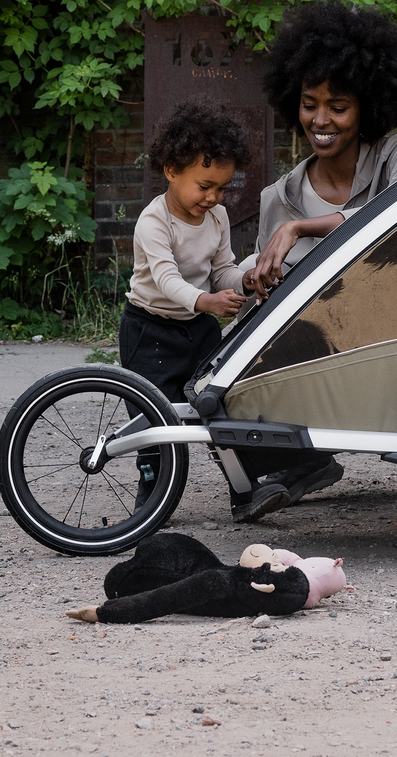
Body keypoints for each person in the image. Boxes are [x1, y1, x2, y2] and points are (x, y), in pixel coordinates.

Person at [226, 0, 397, 522]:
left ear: (367, 106)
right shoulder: (278, 197)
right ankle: (298, 462)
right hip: (326, 346)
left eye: (338, 106)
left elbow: (395, 222)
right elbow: (271, 293)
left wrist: (301, 228)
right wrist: (254, 282)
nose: (321, 119)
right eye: (309, 103)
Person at [120, 100, 275, 517]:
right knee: (152, 418)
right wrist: (206, 301)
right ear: (172, 170)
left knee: (218, 403)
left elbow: (221, 269)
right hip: (150, 329)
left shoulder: (218, 217)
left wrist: (240, 280)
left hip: (197, 328)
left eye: (222, 188)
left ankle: (244, 492)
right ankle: (150, 498)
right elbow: (168, 281)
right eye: (204, 185)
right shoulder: (154, 222)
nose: (213, 197)